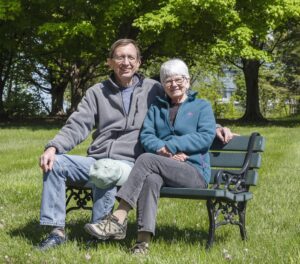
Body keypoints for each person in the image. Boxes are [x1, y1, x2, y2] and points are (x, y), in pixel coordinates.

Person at [38, 38, 234, 251]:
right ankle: (56, 232)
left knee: (108, 170)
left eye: (131, 57)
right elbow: (77, 124)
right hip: (98, 158)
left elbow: (183, 103)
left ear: (139, 63)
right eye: (120, 57)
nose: (126, 62)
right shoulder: (97, 92)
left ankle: (105, 229)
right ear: (109, 62)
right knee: (56, 164)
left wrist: (215, 127)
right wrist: (53, 147)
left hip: (131, 163)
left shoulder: (153, 89)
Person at [84, 59, 216, 254]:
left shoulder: (201, 106)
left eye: (178, 79)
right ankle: (142, 243)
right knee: (151, 179)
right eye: (168, 81)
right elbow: (147, 135)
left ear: (187, 81)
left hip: (193, 171)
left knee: (145, 159)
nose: (174, 85)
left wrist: (170, 146)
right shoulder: (157, 107)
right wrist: (163, 151)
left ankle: (118, 218)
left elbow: (205, 136)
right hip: (164, 166)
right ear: (163, 85)